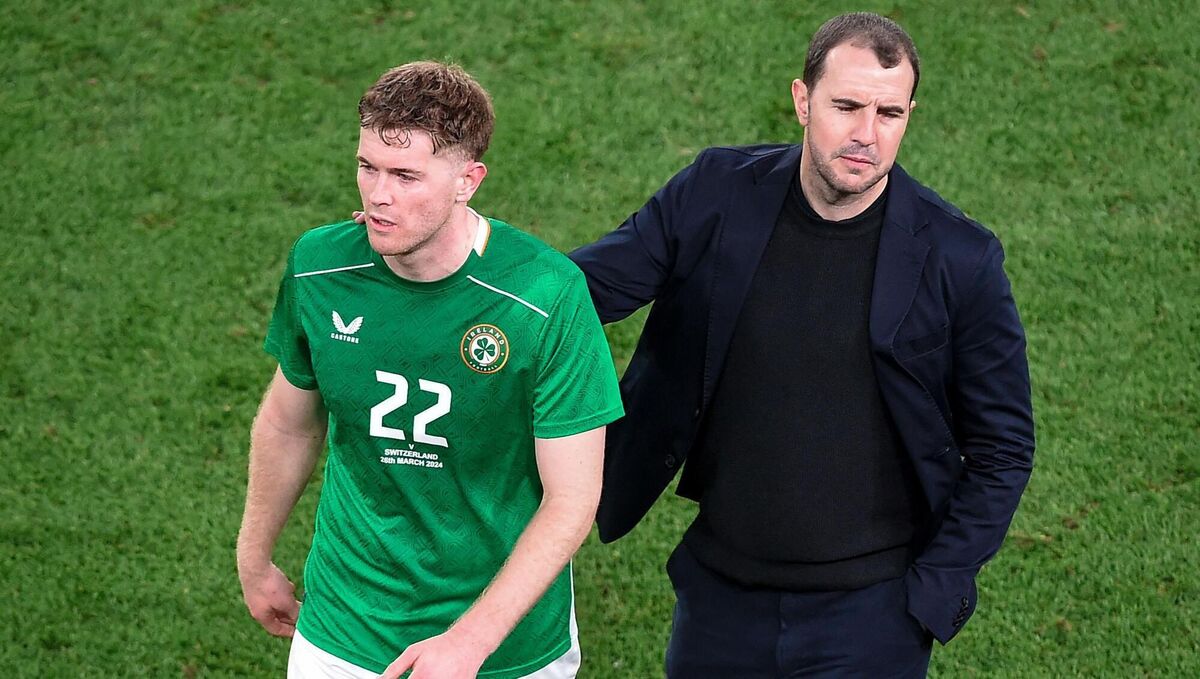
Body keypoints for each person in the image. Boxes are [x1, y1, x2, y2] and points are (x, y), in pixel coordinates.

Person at [570, 12, 1035, 677]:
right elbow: (583, 290)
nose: (866, 135)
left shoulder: (961, 258)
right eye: (846, 106)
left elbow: (1003, 447)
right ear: (801, 100)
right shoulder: (716, 192)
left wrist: (932, 592)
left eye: (889, 113)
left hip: (870, 620)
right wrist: (461, 257)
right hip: (718, 601)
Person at [236, 61, 623, 679]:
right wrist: (254, 558)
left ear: (468, 180)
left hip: (505, 650)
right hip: (342, 631)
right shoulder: (319, 266)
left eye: (406, 176)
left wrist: (467, 643)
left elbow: (572, 497)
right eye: (368, 167)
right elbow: (288, 424)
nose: (378, 195)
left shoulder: (546, 296)